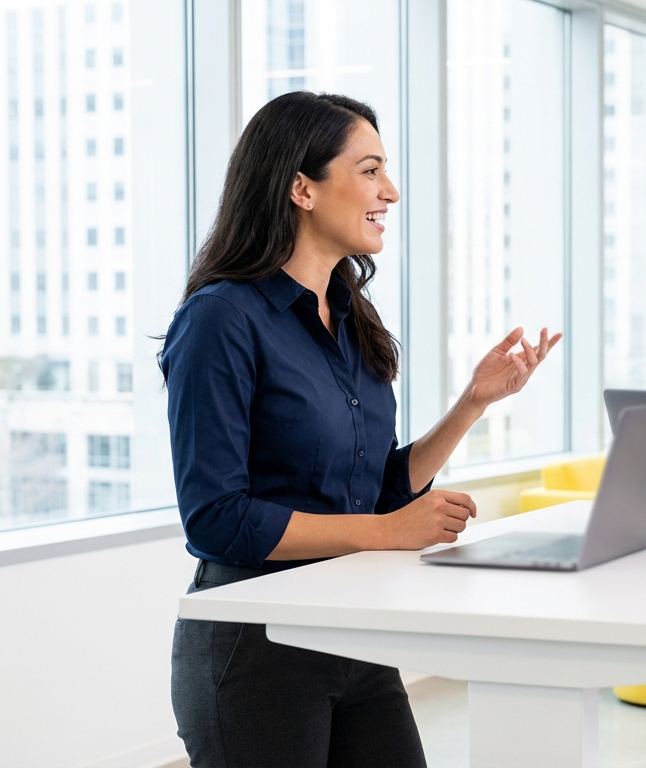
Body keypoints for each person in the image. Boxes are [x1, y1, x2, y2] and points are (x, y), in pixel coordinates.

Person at [161, 92, 561, 767]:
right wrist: (387, 534)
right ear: (301, 189)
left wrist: (473, 402)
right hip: (256, 644)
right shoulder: (220, 319)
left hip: (352, 632)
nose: (391, 192)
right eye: (371, 170)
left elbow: (371, 490)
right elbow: (216, 519)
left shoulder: (350, 315)